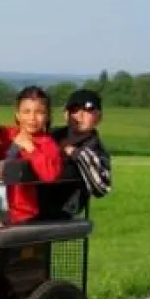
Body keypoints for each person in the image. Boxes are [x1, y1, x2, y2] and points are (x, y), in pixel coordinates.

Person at [0, 85, 65, 225]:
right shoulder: (5, 135)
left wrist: (31, 148)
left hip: (19, 212)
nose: (32, 118)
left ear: (47, 116)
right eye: (26, 112)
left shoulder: (46, 144)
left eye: (39, 112)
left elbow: (50, 175)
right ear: (18, 114)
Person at [37, 88, 112, 218]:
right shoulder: (52, 135)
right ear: (66, 115)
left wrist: (75, 153)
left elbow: (101, 188)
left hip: (62, 210)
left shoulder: (95, 150)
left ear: (99, 117)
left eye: (88, 110)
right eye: (75, 110)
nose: (80, 115)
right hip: (31, 200)